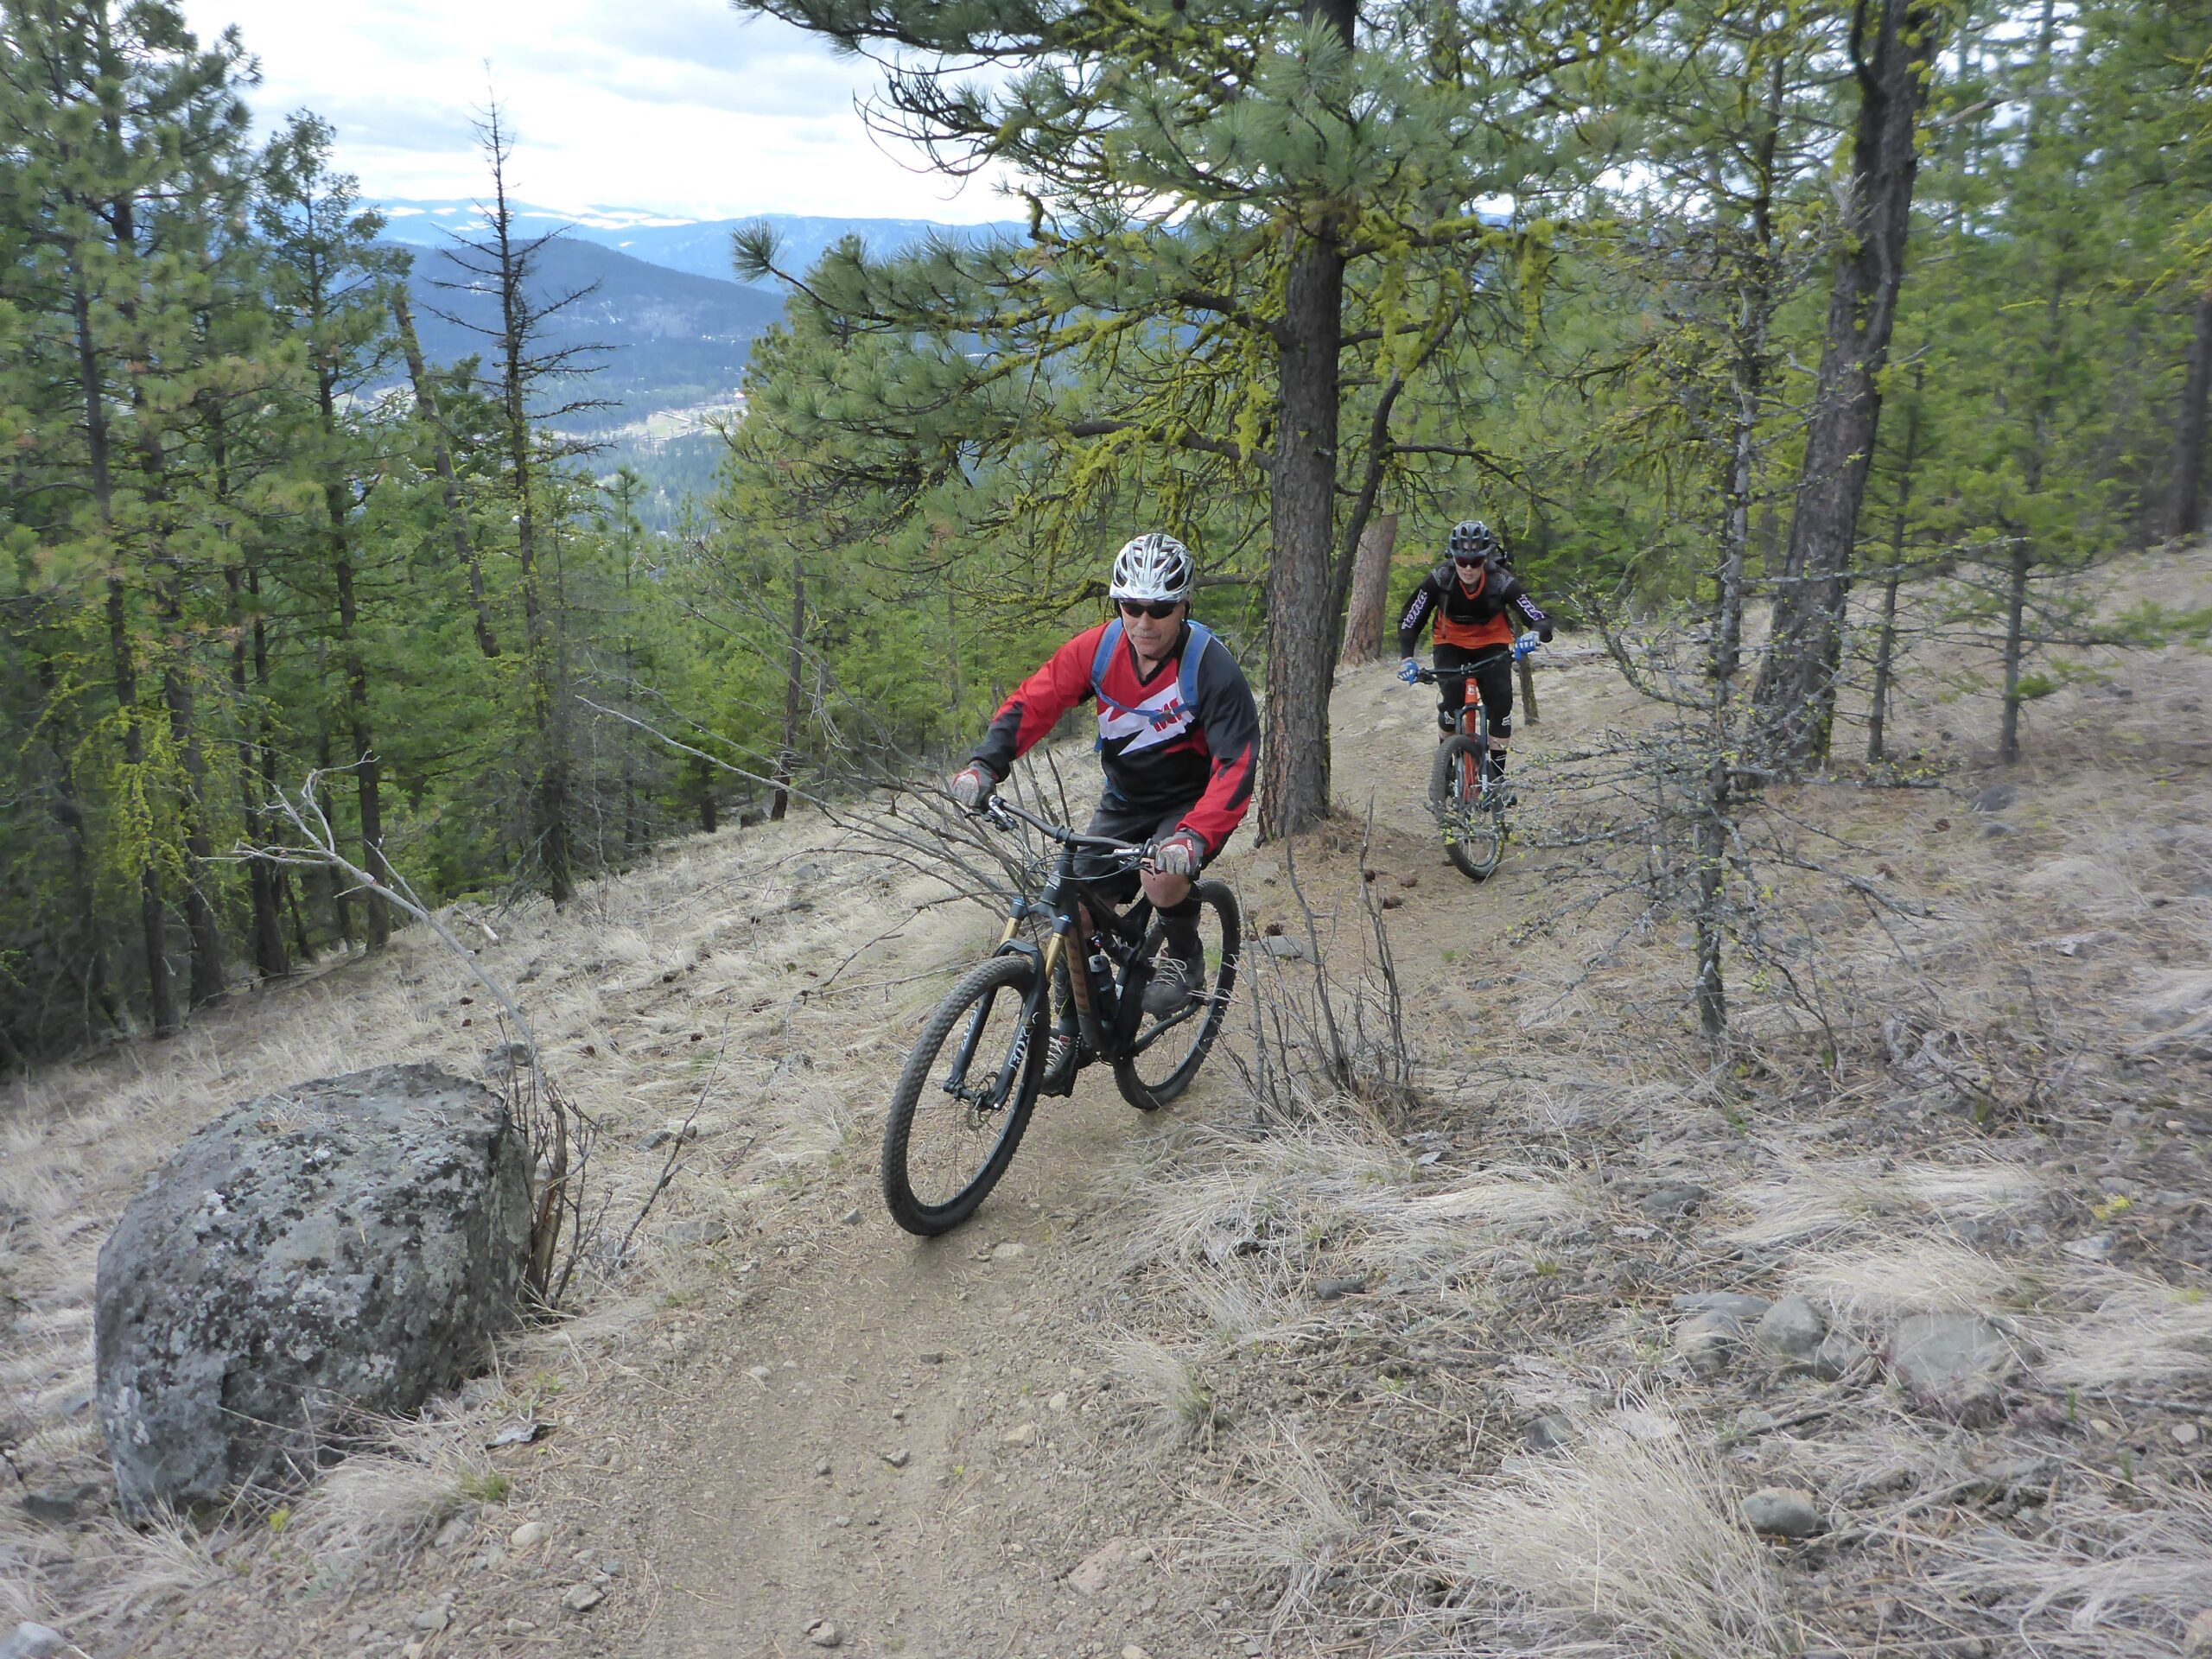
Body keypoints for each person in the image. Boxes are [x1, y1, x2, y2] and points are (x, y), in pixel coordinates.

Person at [949, 533, 1259, 1071]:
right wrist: (985, 766)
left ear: (1184, 605)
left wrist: (1192, 836)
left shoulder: (1212, 668)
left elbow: (1236, 766)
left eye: (1159, 608)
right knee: (1073, 910)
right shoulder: (1098, 649)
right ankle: (1072, 1026)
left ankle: (1184, 959)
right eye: (1131, 606)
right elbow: (1035, 701)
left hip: (1190, 803)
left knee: (1159, 877)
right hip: (1125, 800)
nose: (1144, 622)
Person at [1395, 518, 1553, 803]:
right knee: (1450, 703)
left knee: (1501, 700)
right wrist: (1407, 659)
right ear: (1452, 557)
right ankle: (1444, 770)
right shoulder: (1440, 578)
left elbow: (1540, 619)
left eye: (1476, 561)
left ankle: (1498, 780)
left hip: (1492, 644)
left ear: (1486, 558)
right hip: (1450, 643)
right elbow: (1410, 620)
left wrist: (1534, 635)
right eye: (1462, 560)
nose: (1468, 568)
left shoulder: (1501, 580)